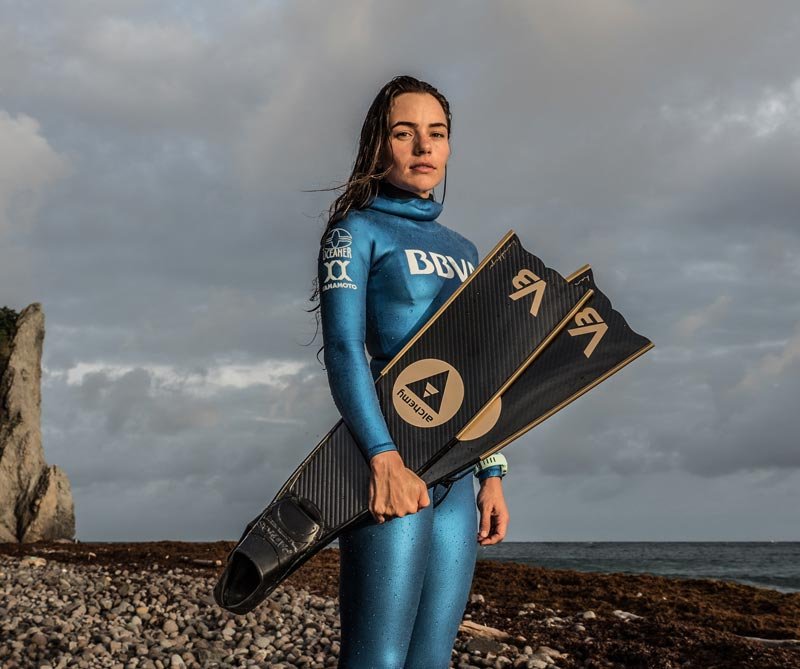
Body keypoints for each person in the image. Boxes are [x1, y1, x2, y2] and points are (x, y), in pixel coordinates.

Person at [311, 75, 510, 669]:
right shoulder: (355, 232)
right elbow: (343, 350)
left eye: (437, 133)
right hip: (392, 459)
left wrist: (493, 471)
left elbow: (479, 368)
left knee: (431, 660)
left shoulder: (465, 250)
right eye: (405, 133)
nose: (424, 147)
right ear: (379, 143)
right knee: (376, 658)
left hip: (458, 472)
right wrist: (382, 459)